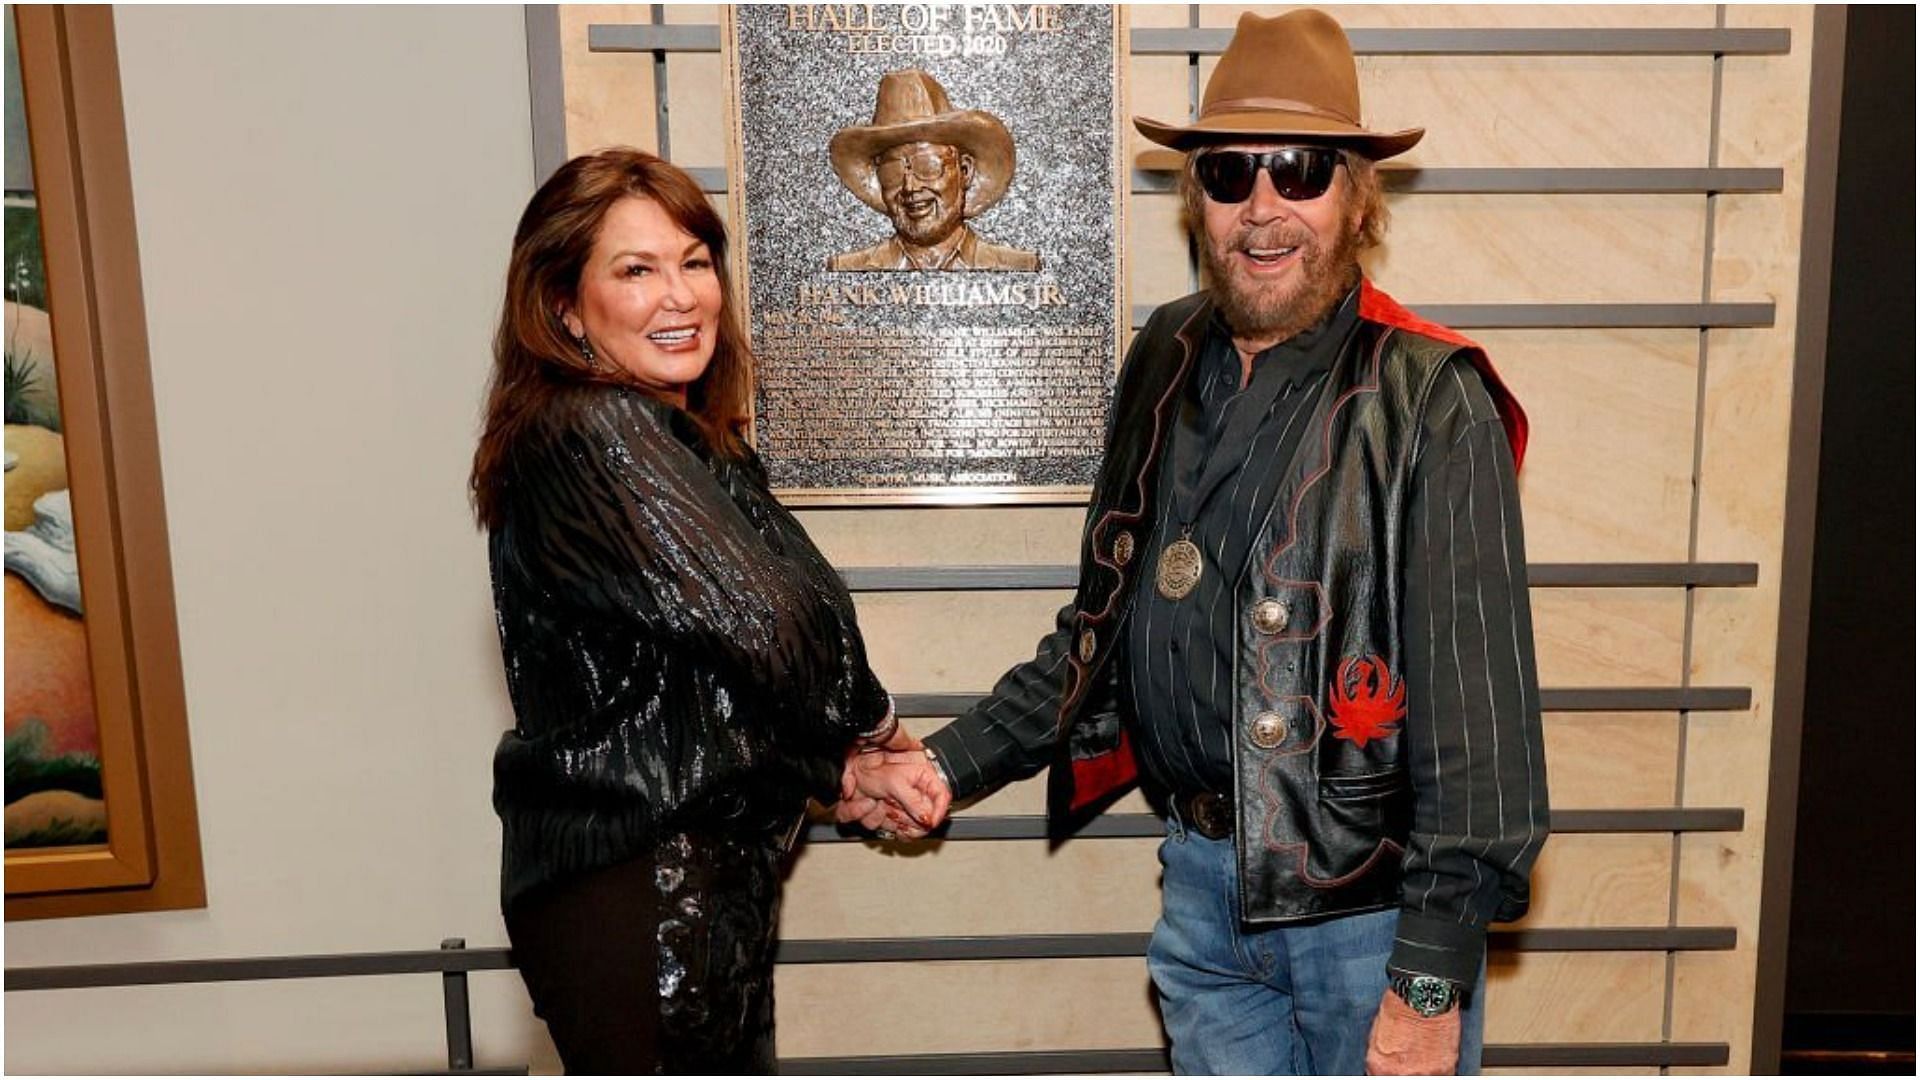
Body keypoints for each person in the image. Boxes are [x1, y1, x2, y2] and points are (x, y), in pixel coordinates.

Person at [843, 10, 1550, 1075]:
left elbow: (1483, 745)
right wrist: (944, 763)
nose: (1263, 209)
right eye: (1228, 175)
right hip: (1202, 899)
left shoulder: (1433, 399)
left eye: (1301, 171)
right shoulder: (1164, 354)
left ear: (1359, 202)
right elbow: (1100, 632)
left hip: (1368, 927)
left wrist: (1430, 981)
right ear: (1197, 201)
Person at [471, 148, 942, 1074]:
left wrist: (838, 762)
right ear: (565, 304)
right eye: (636, 270)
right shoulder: (589, 429)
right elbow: (772, 623)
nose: (680, 295)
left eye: (693, 260)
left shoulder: (691, 445)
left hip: (692, 879)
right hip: (634, 889)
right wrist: (875, 734)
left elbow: (722, 672)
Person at [826, 69, 1041, 272]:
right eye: (893, 171)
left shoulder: (1019, 267)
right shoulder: (846, 270)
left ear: (965, 171)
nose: (910, 187)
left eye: (927, 167)